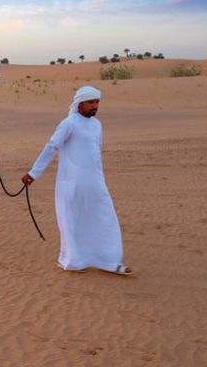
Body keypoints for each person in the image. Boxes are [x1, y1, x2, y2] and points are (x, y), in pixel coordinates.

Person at [21, 86, 133, 276]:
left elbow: (96, 153)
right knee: (71, 221)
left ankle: (110, 261)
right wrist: (33, 173)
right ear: (79, 104)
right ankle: (72, 260)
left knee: (105, 218)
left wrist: (100, 178)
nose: (95, 106)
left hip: (95, 182)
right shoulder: (69, 123)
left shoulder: (97, 125)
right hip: (70, 183)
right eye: (91, 102)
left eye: (97, 102)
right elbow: (51, 148)